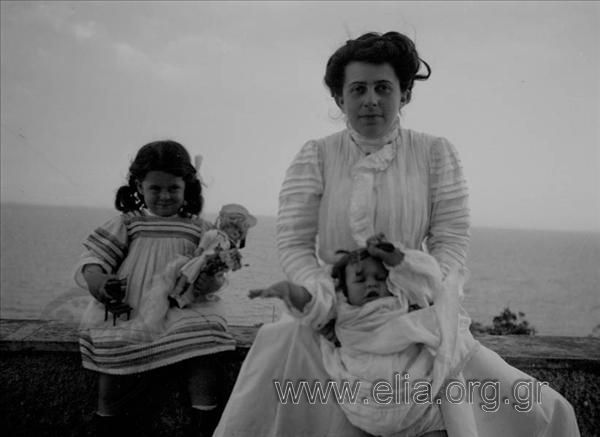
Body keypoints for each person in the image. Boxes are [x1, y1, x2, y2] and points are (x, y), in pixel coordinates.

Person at [214, 31, 580, 437]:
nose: (370, 99)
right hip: (334, 319)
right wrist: (331, 304)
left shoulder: (434, 152)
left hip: (418, 316)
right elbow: (295, 245)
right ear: (340, 99)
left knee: (544, 412)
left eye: (383, 88)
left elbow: (451, 241)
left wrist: (415, 291)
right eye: (358, 89)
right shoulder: (315, 156)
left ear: (404, 94)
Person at [75, 140, 236, 435]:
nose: (164, 196)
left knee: (205, 342)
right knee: (113, 352)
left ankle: (205, 419)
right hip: (134, 307)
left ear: (187, 186)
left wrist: (209, 281)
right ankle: (106, 421)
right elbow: (94, 257)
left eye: (173, 188)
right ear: (139, 187)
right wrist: (97, 280)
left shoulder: (200, 228)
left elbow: (215, 270)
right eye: (155, 189)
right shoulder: (129, 223)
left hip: (181, 306)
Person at [249, 234, 477, 436]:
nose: (371, 284)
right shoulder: (342, 309)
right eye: (360, 279)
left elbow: (427, 281)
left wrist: (395, 257)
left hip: (414, 393)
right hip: (364, 397)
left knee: (434, 423)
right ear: (343, 288)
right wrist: (290, 291)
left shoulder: (401, 299)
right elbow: (314, 303)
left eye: (379, 278)